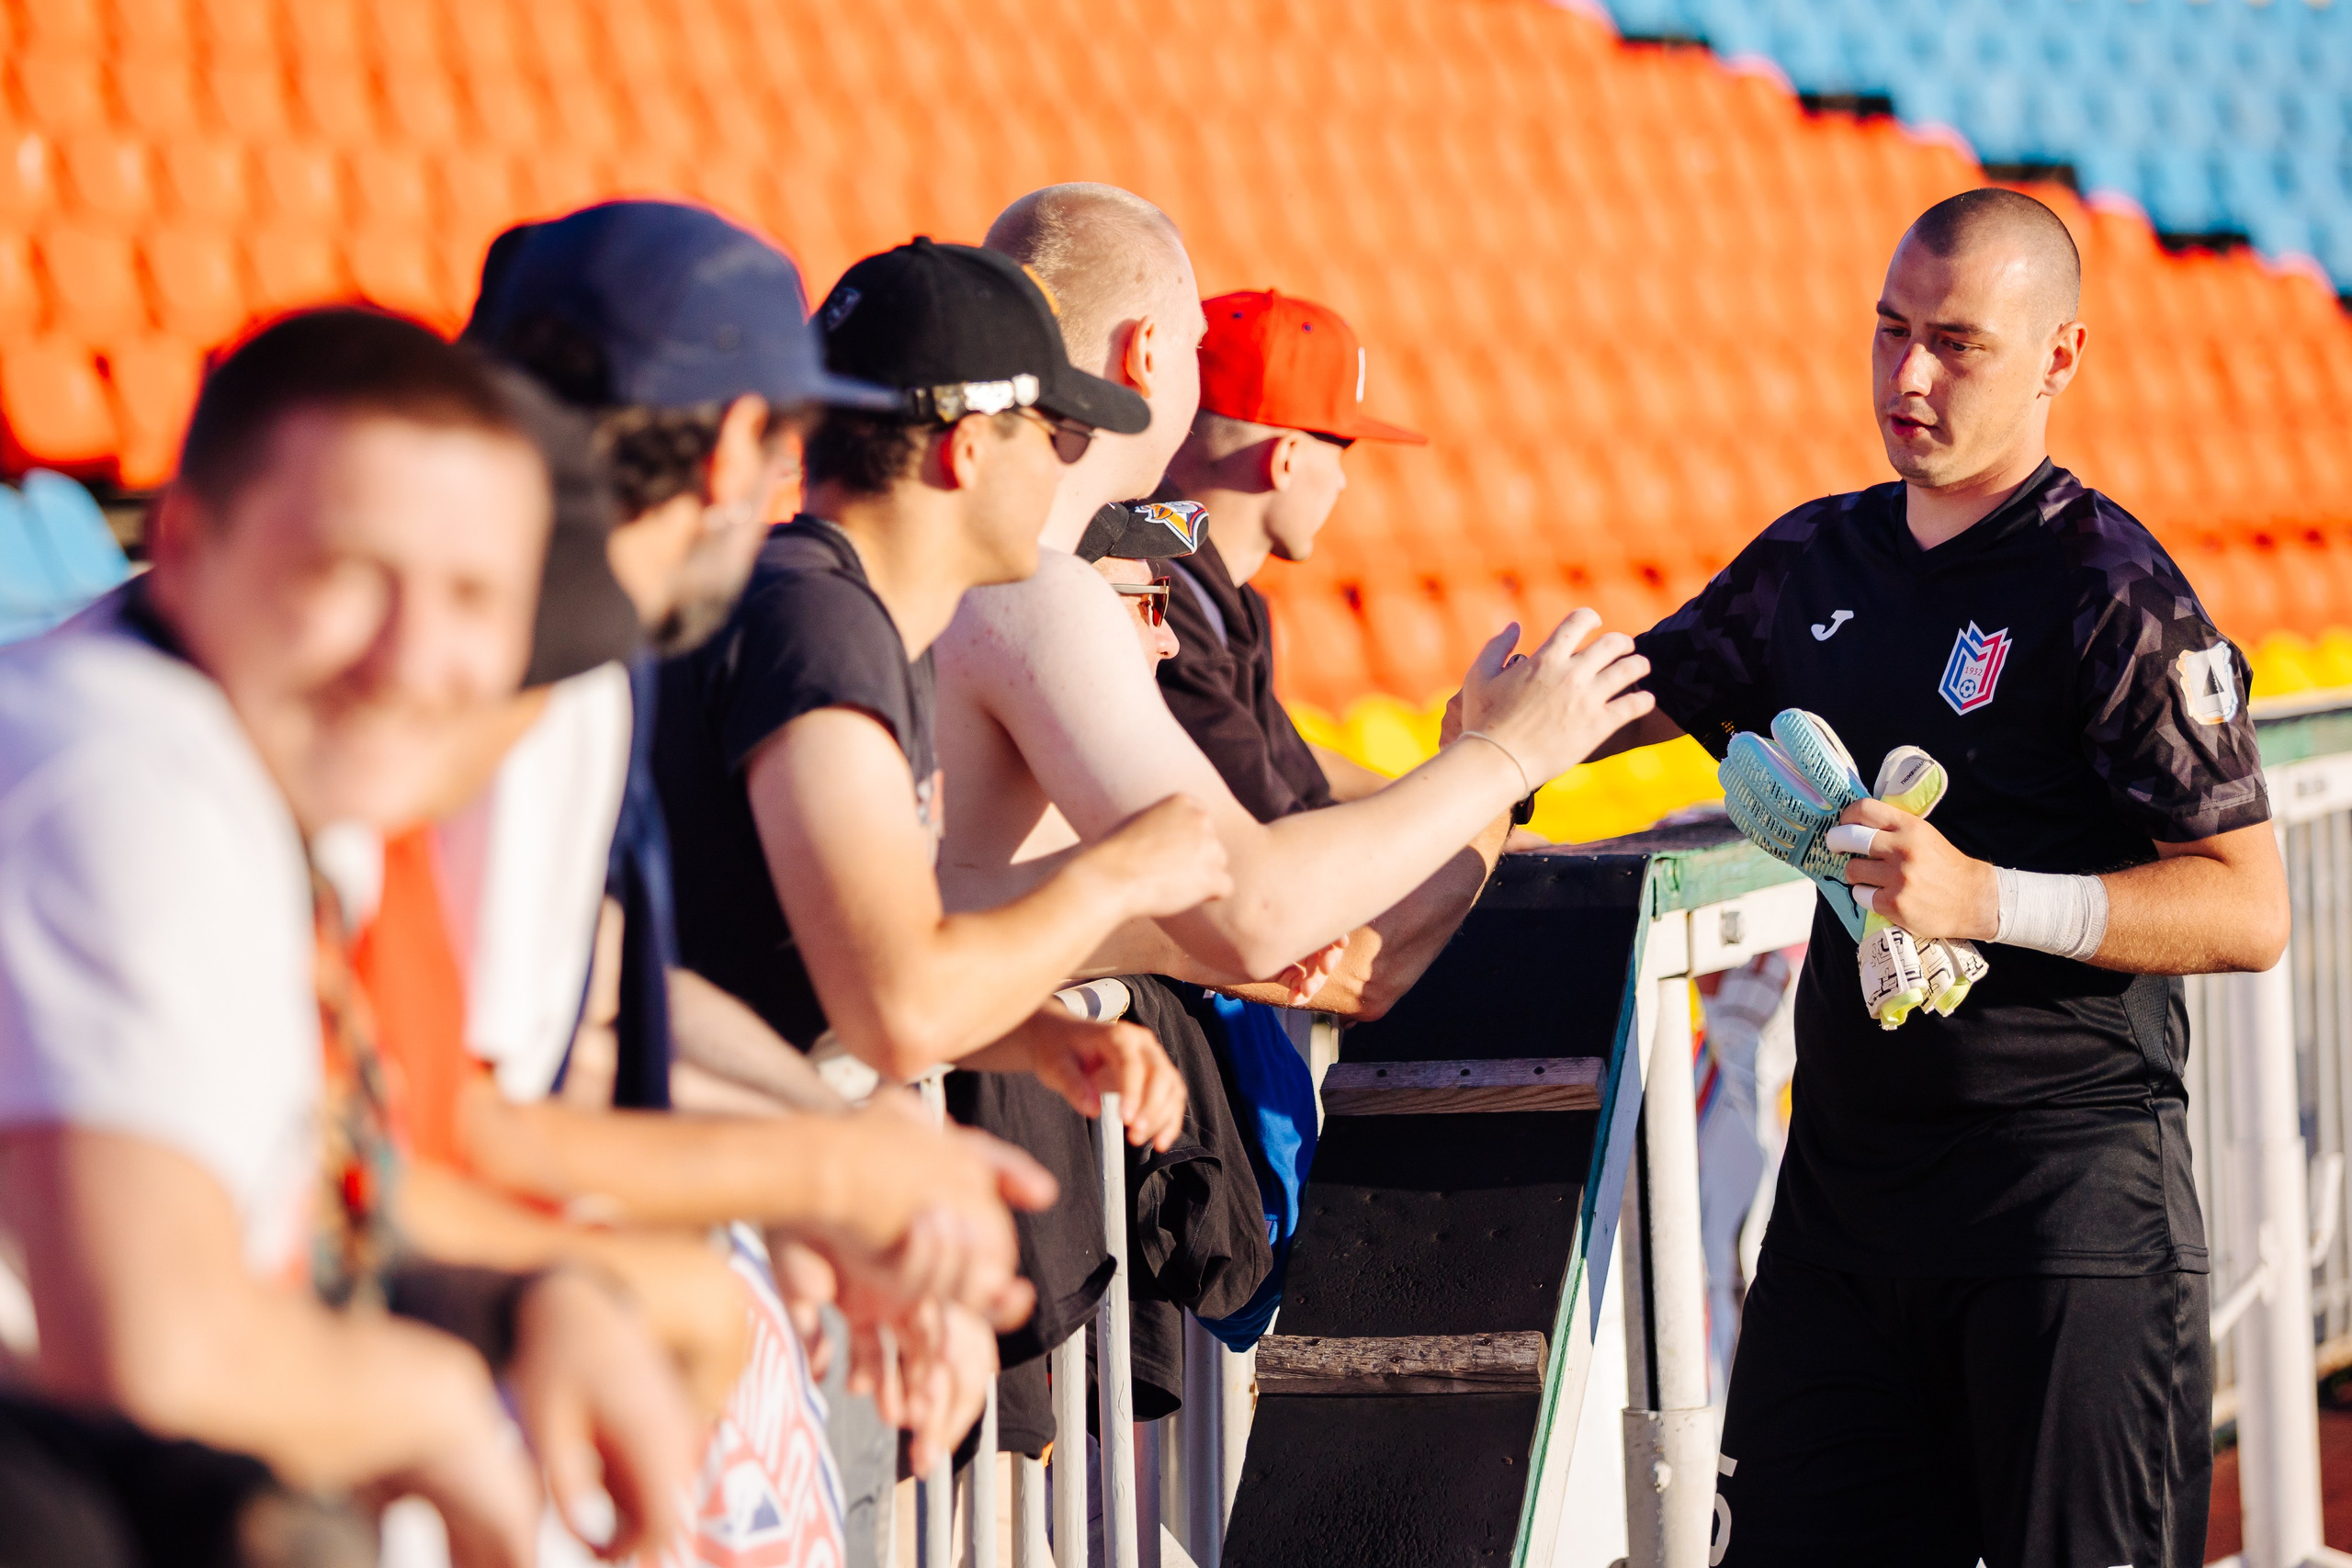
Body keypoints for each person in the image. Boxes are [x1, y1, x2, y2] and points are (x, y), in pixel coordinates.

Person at [1595, 188, 2288, 1566]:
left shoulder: (2110, 590)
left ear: (2059, 358)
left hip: (2063, 1212)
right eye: (1890, 331)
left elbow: (2250, 905)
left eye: (1958, 342)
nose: (1908, 376)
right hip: (1844, 1215)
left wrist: (1990, 898)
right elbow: (1628, 690)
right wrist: (1493, 755)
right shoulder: (1812, 557)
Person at [0, 309, 701, 1567]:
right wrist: (437, 1404)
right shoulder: (125, 772)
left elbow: (321, 1214)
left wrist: (540, 1298)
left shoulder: (260, 760)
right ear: (181, 543)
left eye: (476, 596)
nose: (412, 657)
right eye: (345, 573)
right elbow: (158, 1350)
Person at [933, 183, 1651, 1021]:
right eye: (1194, 355)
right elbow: (1271, 919)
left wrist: (1156, 926)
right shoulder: (1036, 592)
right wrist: (1503, 755)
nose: (1159, 645)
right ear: (1148, 356)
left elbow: (966, 894)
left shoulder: (951, 572)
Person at [655, 235, 1229, 1122]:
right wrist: (1116, 875)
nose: (1066, 466)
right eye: (1057, 433)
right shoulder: (821, 628)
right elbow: (898, 1008)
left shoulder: (833, 606)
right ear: (967, 451)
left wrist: (1039, 1038)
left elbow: (836, 965)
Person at [1154, 288, 1427, 816]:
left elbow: (1289, 765)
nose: (1343, 483)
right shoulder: (1158, 600)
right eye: (1341, 450)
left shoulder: (1220, 593)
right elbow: (1276, 833)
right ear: (1287, 458)